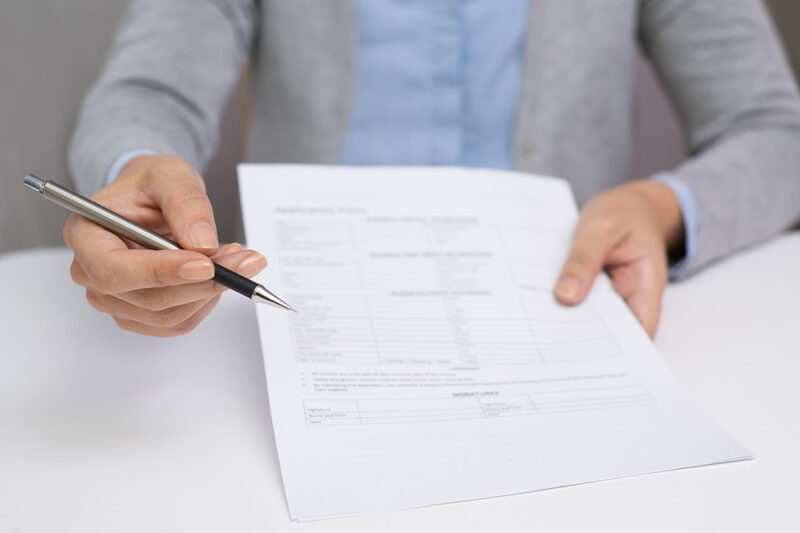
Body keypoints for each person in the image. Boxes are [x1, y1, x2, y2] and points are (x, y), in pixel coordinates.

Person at [65, 0, 800, 338]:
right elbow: (147, 91)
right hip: (297, 318)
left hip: (561, 310)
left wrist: (662, 206)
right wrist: (137, 171)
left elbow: (775, 130)